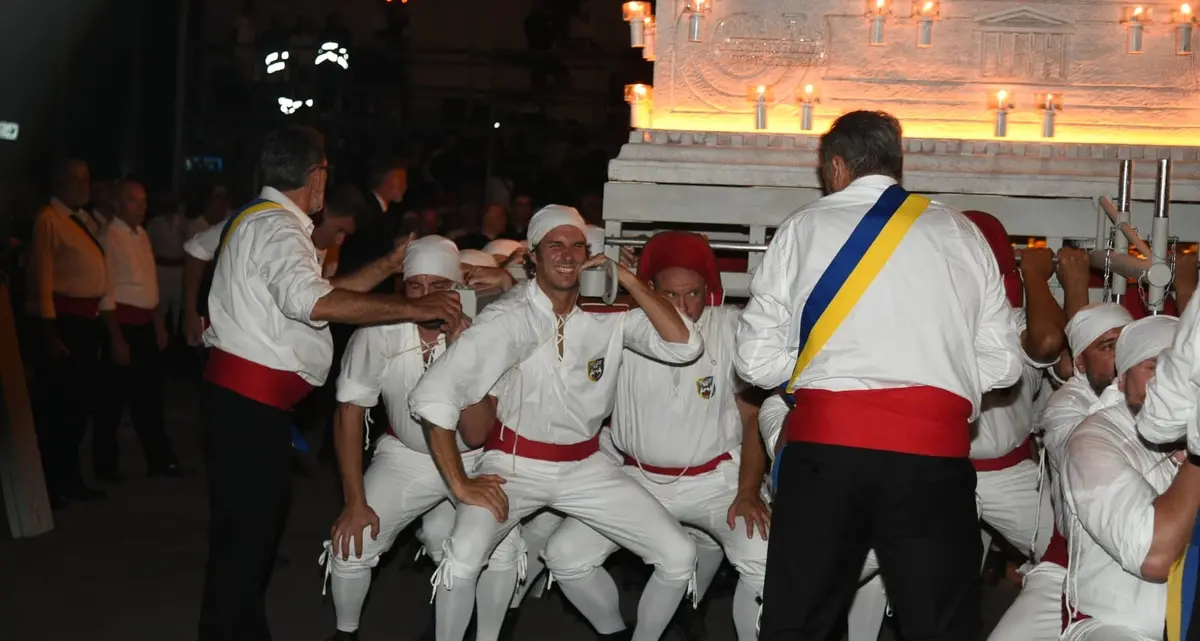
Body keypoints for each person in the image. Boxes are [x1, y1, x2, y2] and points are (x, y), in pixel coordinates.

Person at [735, 110, 1024, 641]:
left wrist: (819, 379)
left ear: (837, 167)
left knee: (798, 625)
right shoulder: (959, 231)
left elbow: (755, 363)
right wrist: (934, 383)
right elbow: (1004, 367)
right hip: (932, 456)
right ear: (897, 163)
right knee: (939, 626)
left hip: (826, 451)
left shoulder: (805, 226)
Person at [197, 126, 465, 641]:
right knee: (246, 546)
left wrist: (387, 266)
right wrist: (414, 307)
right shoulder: (279, 228)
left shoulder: (260, 218)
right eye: (325, 172)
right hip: (248, 409)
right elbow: (314, 303)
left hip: (246, 407)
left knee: (243, 543)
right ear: (315, 175)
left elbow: (321, 292)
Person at [409, 205, 704, 641]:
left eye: (576, 246)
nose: (567, 255)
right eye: (555, 245)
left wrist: (629, 281)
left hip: (586, 466)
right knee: (462, 555)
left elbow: (685, 346)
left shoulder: (609, 315)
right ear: (532, 256)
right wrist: (460, 485)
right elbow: (433, 395)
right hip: (513, 464)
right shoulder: (508, 316)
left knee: (679, 555)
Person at [541, 231, 769, 641]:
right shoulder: (619, 327)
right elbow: (553, 299)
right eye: (670, 295)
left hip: (715, 481)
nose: (683, 307)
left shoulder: (733, 328)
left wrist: (749, 490)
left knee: (765, 559)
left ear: (709, 289)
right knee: (564, 555)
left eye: (693, 294)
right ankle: (616, 633)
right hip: (636, 479)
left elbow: (753, 420)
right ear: (649, 290)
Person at [322, 236, 520, 641]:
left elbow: (476, 432)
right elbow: (348, 411)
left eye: (439, 286)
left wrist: (457, 350)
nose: (427, 296)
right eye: (416, 286)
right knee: (351, 543)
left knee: (501, 549)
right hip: (407, 456)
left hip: (475, 458)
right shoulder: (380, 330)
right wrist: (355, 502)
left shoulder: (484, 332)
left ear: (458, 290)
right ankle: (345, 634)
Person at [989, 301, 1135, 641]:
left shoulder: (1152, 398)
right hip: (1067, 564)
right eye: (1109, 346)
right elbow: (1090, 456)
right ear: (1079, 363)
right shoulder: (1065, 404)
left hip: (1128, 571)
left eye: (1128, 344)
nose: (1122, 355)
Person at [1061, 315, 1200, 640]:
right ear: (1121, 380)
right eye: (1154, 367)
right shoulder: (1093, 440)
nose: (1169, 386)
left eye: (1179, 374)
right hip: (1118, 626)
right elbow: (1153, 557)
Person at [962, 211, 1063, 569]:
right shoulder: (930, 314)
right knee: (879, 567)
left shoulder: (1014, 320)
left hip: (1008, 474)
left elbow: (1049, 343)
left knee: (1071, 558)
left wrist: (1033, 276)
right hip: (938, 472)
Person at [92, 179, 186, 482]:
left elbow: (149, 282)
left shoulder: (141, 233)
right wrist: (116, 337)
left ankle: (159, 458)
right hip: (121, 323)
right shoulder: (109, 236)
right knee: (112, 399)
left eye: (144, 200)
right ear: (118, 204)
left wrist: (158, 321)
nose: (141, 206)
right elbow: (105, 289)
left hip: (144, 322)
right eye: (133, 201)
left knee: (150, 396)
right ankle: (105, 465)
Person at [29, 158, 110, 508]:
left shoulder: (85, 221)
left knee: (80, 407)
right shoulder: (49, 220)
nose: (85, 186)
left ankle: (71, 477)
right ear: (60, 182)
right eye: (77, 180)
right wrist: (49, 331)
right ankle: (54, 481)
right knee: (59, 407)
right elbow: (42, 278)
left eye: (87, 180)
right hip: (64, 323)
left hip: (88, 322)